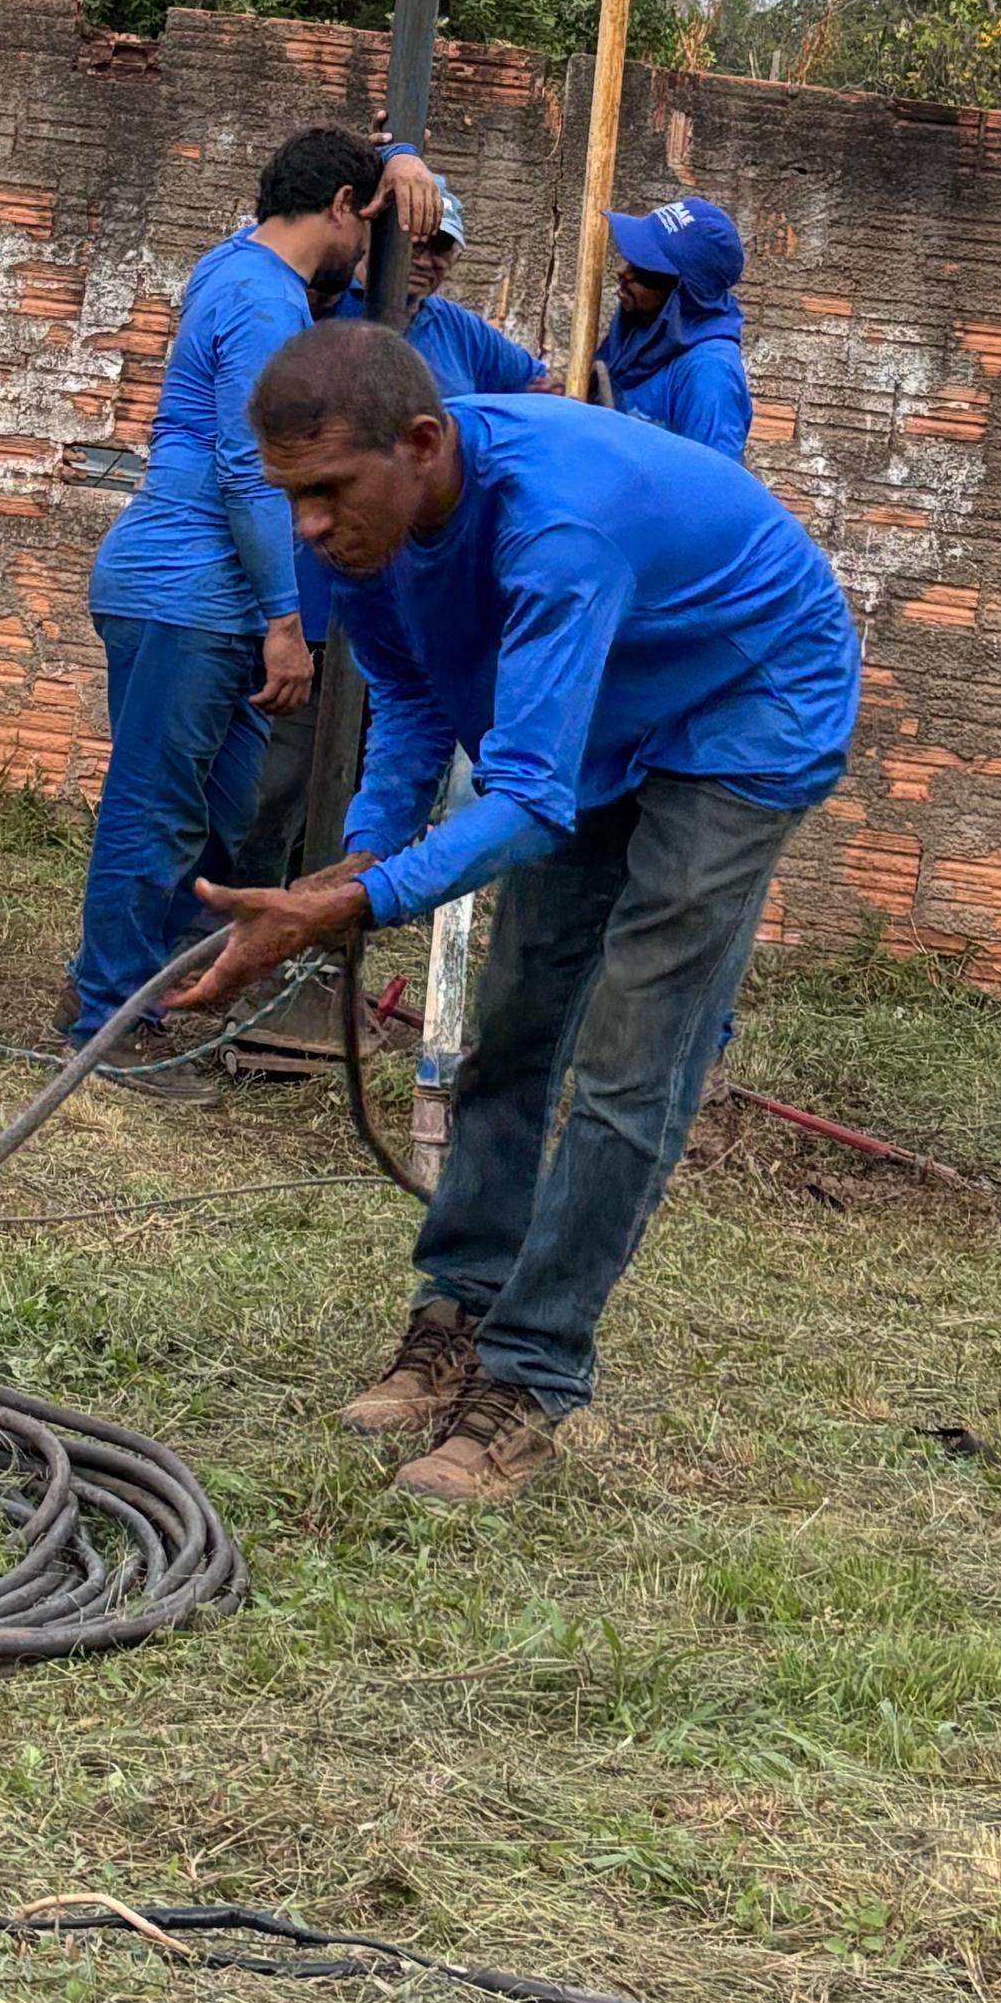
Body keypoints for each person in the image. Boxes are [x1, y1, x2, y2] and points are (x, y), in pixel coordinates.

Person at [181, 323, 859, 1507]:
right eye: (291, 494)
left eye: (328, 490)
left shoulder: (558, 526)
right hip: (608, 704)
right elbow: (408, 694)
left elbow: (529, 801)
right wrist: (358, 855)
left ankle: (531, 1379)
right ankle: (460, 1311)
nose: (306, 524)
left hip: (749, 703)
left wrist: (350, 897)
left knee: (628, 1056)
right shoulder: (360, 534)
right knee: (514, 1024)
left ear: (425, 441)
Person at [68, 125, 437, 1065]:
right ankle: (109, 1022)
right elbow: (248, 470)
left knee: (221, 817)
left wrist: (396, 150)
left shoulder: (237, 267)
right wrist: (286, 622)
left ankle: (154, 990)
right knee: (153, 811)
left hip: (209, 599)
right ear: (344, 209)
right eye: (367, 226)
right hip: (184, 589)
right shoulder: (262, 302)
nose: (369, 257)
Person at [239, 181, 544, 887]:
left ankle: (322, 927)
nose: (428, 260)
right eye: (415, 242)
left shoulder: (455, 330)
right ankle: (245, 923)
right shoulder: (326, 321)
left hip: (419, 600)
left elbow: (539, 390)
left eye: (443, 247)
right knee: (278, 785)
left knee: (375, 770)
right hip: (326, 598)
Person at [595, 192, 753, 461]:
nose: (622, 272)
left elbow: (709, 491)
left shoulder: (710, 377)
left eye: (644, 269)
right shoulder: (643, 325)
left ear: (683, 294)